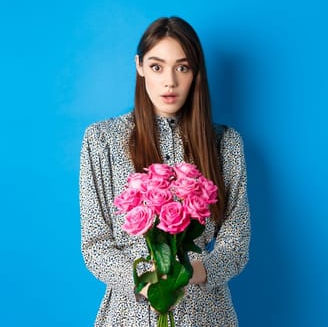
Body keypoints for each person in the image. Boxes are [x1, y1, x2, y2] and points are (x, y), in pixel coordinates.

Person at [80, 16, 251, 326]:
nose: (169, 82)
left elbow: (236, 242)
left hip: (207, 313)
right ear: (140, 66)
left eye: (182, 68)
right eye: (157, 66)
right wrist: (148, 283)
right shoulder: (101, 140)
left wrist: (191, 272)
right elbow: (95, 244)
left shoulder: (226, 143)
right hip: (128, 313)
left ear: (196, 73)